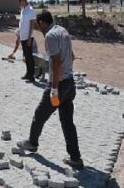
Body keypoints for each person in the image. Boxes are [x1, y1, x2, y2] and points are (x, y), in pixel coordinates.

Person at [17, 10, 84, 170]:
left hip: (59, 85)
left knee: (40, 114)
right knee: (67, 122)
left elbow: (55, 63)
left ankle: (32, 143)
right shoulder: (63, 31)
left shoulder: (51, 36)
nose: (39, 29)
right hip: (69, 84)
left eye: (39, 26)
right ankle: (76, 158)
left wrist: (53, 88)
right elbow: (71, 55)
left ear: (43, 23)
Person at [18, 0, 36, 83]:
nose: (19, 3)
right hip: (22, 36)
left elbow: (32, 24)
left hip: (28, 37)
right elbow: (21, 24)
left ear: (24, 0)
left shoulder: (30, 10)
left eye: (20, 1)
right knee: (26, 56)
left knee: (30, 57)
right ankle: (28, 73)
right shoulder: (23, 10)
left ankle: (32, 76)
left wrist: (29, 37)